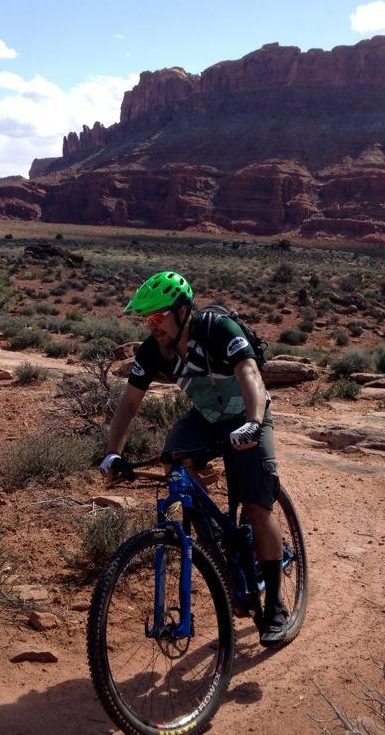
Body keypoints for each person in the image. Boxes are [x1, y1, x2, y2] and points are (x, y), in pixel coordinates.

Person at [99, 270, 289, 647]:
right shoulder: (154, 350)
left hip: (248, 414)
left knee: (255, 505)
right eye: (146, 319)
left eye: (157, 317)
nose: (151, 326)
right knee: (173, 458)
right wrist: (112, 453)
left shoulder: (217, 328)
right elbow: (130, 402)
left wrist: (253, 423)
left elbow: (249, 372)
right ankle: (214, 534)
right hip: (207, 418)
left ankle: (276, 607)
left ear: (184, 310)